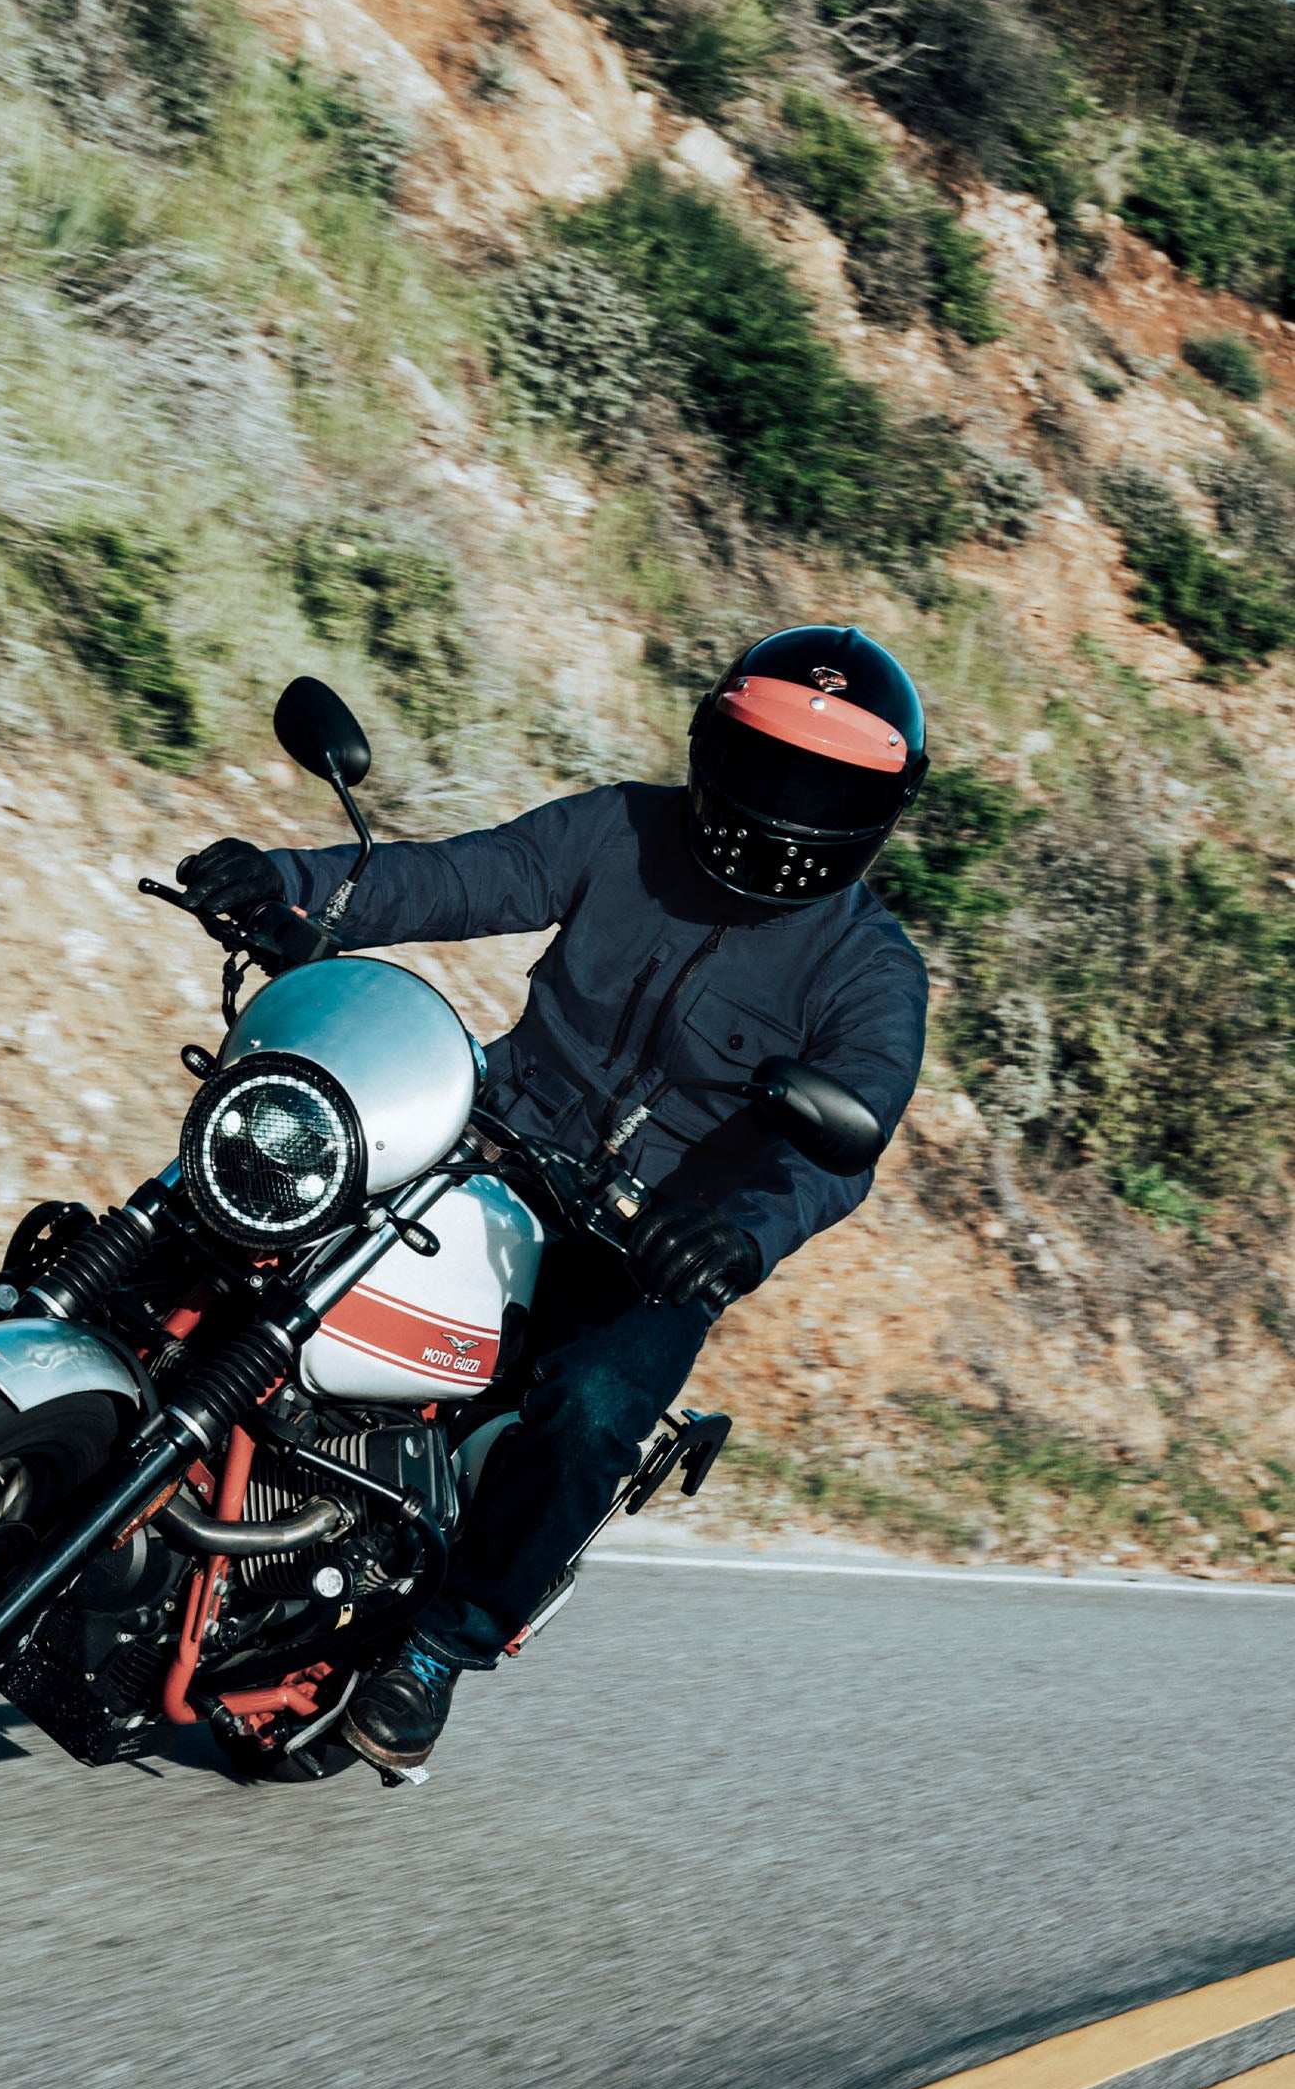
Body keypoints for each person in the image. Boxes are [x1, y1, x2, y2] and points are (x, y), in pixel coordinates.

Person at [175, 625, 932, 1771]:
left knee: (589, 1409)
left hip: (650, 1242)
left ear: (877, 811)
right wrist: (284, 883)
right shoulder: (624, 828)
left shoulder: (869, 971)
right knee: (267, 1164)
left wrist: (733, 1237)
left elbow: (841, 1145)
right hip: (488, 1124)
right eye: (765, 765)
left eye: (823, 788)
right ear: (709, 739)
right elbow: (460, 875)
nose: (781, 809)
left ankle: (438, 1644)